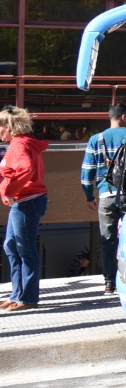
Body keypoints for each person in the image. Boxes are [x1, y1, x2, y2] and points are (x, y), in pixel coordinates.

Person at [81, 103, 126, 295]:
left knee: (107, 239)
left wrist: (89, 196)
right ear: (124, 117)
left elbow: (87, 173)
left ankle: (109, 282)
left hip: (106, 195)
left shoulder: (96, 140)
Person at [1, 106, 49, 313]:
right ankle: (18, 294)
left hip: (27, 201)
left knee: (25, 249)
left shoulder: (19, 145)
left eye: (0, 126)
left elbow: (26, 169)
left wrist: (10, 190)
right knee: (12, 246)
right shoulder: (20, 144)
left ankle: (28, 297)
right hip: (24, 201)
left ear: (10, 127)